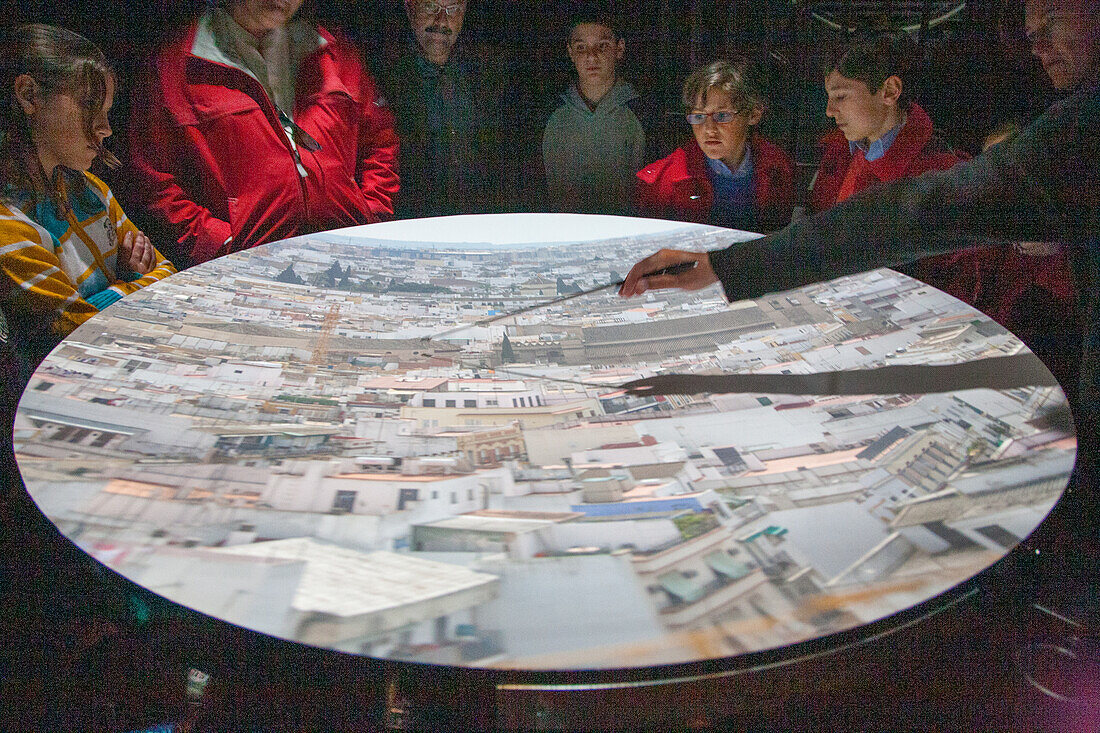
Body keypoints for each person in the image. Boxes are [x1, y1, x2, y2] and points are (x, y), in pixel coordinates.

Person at [618, 0, 1099, 498]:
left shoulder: (1038, 144)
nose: (1036, 43)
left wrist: (731, 266)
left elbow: (902, 222)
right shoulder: (838, 159)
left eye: (1053, 23)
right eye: (1030, 28)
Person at [126, 0, 399, 268]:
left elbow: (379, 139)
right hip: (247, 273)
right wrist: (220, 244)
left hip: (348, 257)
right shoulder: (176, 65)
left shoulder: (335, 51)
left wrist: (371, 215)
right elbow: (154, 180)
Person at [0, 24, 176, 397]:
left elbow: (170, 277)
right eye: (89, 106)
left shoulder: (91, 190)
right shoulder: (7, 226)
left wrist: (113, 295)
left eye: (108, 111)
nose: (105, 128)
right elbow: (80, 329)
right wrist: (130, 284)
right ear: (29, 95)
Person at [381, 0, 511, 218]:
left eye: (452, 10)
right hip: (411, 226)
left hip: (478, 225)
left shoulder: (488, 72)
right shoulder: (384, 77)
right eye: (431, 7)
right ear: (409, 8)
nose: (442, 21)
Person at [635, 60, 794, 232]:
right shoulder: (661, 182)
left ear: (754, 114)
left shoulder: (779, 168)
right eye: (699, 116)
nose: (709, 129)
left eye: (722, 115)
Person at [541, 9, 655, 215]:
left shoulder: (644, 113)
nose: (591, 56)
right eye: (581, 47)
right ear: (570, 52)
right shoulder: (550, 113)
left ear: (619, 49)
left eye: (602, 46)